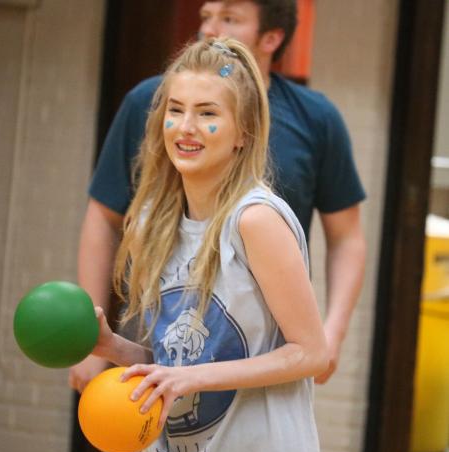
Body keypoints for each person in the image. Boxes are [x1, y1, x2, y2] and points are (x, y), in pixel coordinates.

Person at [69, 0, 366, 393]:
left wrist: (330, 336)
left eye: (229, 18)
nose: (210, 29)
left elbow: (346, 239)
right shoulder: (158, 204)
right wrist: (99, 344)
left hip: (260, 360)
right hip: (175, 378)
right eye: (206, 16)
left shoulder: (257, 215)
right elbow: (104, 217)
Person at [90, 37, 328, 452]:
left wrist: (191, 378)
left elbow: (311, 353)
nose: (186, 127)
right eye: (176, 110)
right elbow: (178, 366)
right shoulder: (150, 223)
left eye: (208, 113)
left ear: (243, 133)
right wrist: (112, 347)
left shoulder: (255, 220)